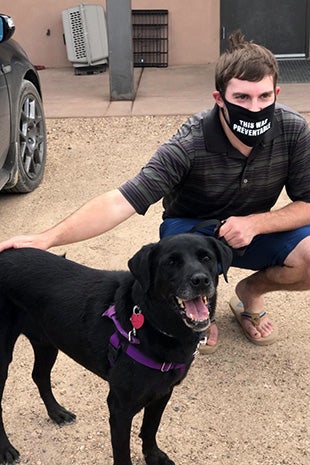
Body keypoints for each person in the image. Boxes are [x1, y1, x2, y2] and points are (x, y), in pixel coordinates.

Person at [1, 31, 309, 353]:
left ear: (275, 93)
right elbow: (122, 200)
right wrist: (46, 239)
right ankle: (201, 307)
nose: (254, 107)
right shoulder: (189, 143)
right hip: (192, 227)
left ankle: (249, 292)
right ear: (219, 99)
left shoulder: (293, 129)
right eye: (242, 98)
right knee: (188, 268)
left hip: (251, 229)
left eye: (263, 97)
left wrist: (255, 224)